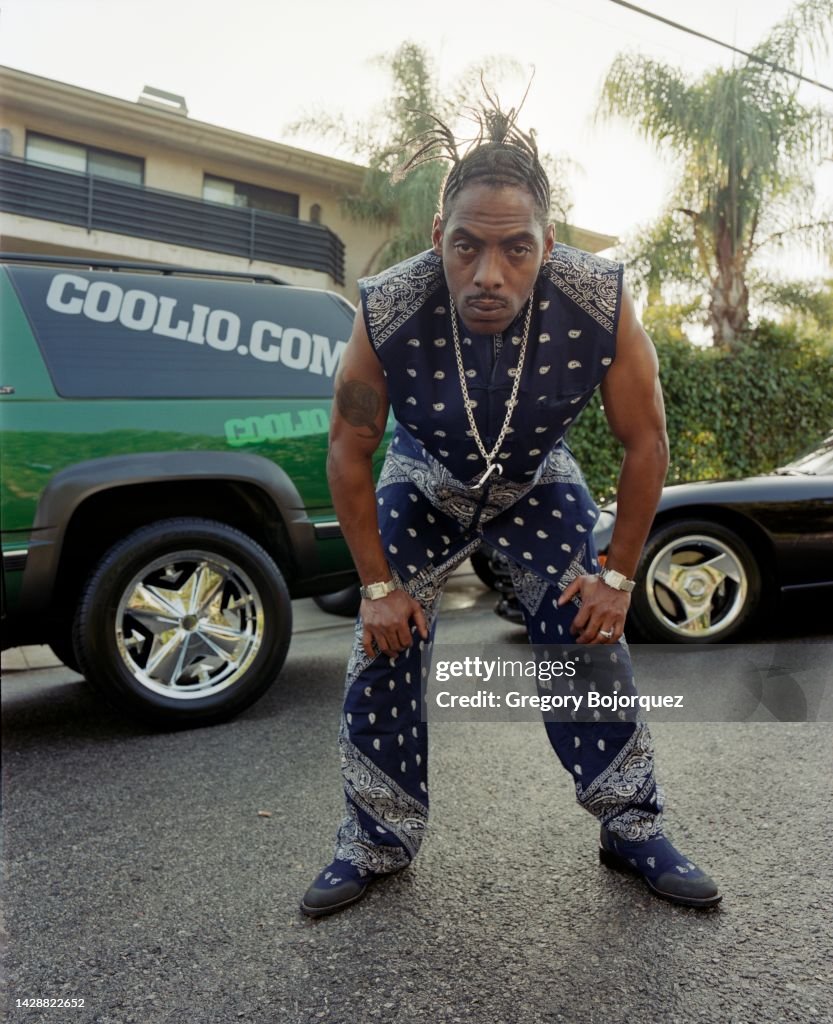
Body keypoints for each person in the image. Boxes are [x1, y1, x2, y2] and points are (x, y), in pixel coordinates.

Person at [300, 103, 720, 917]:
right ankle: (373, 840)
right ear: (438, 239)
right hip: (421, 479)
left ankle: (631, 827)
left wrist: (619, 576)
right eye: (468, 246)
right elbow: (350, 451)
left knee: (587, 635)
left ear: (546, 247)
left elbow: (646, 442)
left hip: (535, 478)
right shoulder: (386, 306)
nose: (489, 273)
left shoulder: (600, 298)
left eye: (514, 248)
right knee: (382, 643)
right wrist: (380, 588)